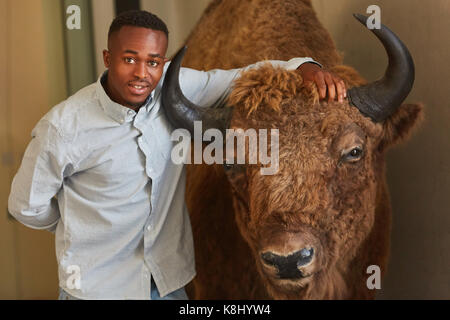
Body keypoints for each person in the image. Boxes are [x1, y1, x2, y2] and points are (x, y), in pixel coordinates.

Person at [8, 10, 346, 300]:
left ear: (163, 62)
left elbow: (242, 77)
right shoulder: (63, 127)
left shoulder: (175, 84)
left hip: (169, 285)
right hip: (98, 288)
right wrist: (80, 225)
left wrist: (305, 67)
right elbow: (26, 207)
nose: (142, 74)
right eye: (130, 59)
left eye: (153, 61)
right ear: (108, 58)